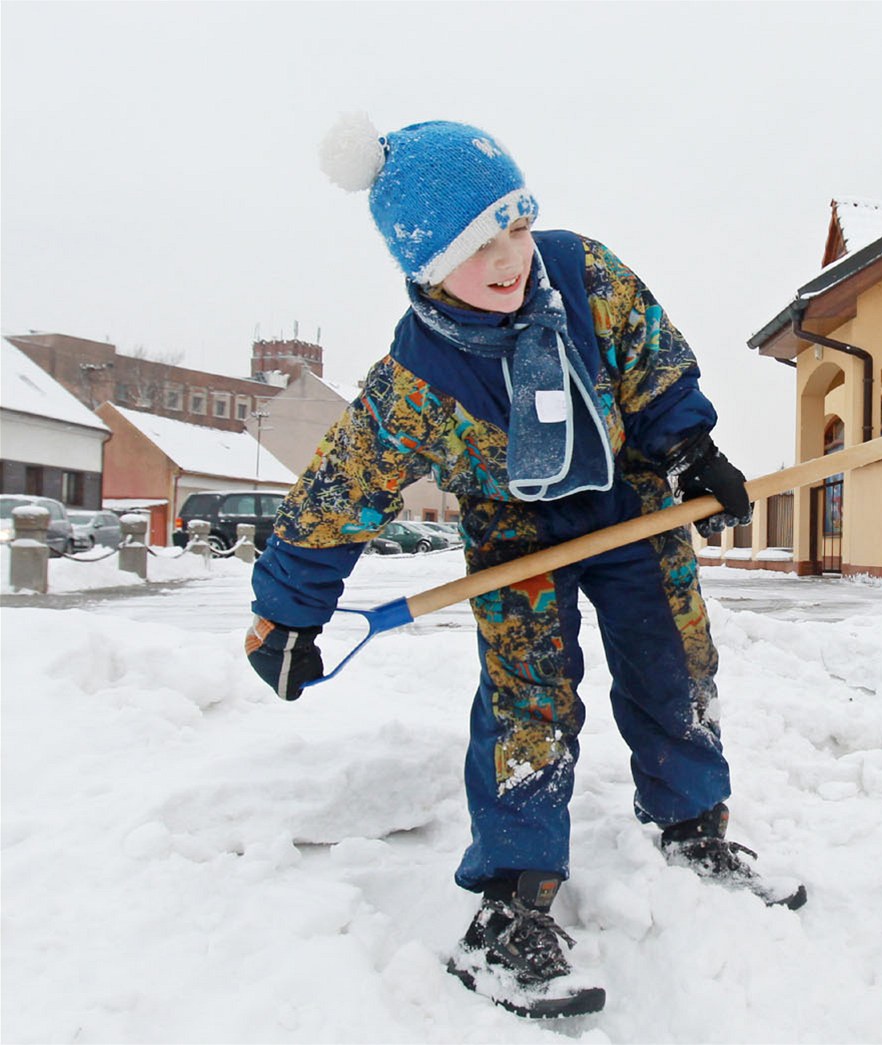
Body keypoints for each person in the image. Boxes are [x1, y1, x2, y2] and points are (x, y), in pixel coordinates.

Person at [244, 115, 804, 1019]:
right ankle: (513, 902)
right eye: (477, 245)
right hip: (514, 533)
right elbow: (341, 491)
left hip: (632, 498)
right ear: (425, 265)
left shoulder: (582, 271)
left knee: (676, 665)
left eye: (515, 222)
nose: (509, 254)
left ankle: (695, 827)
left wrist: (692, 449)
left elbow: (653, 362)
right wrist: (288, 614)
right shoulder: (417, 378)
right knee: (526, 702)